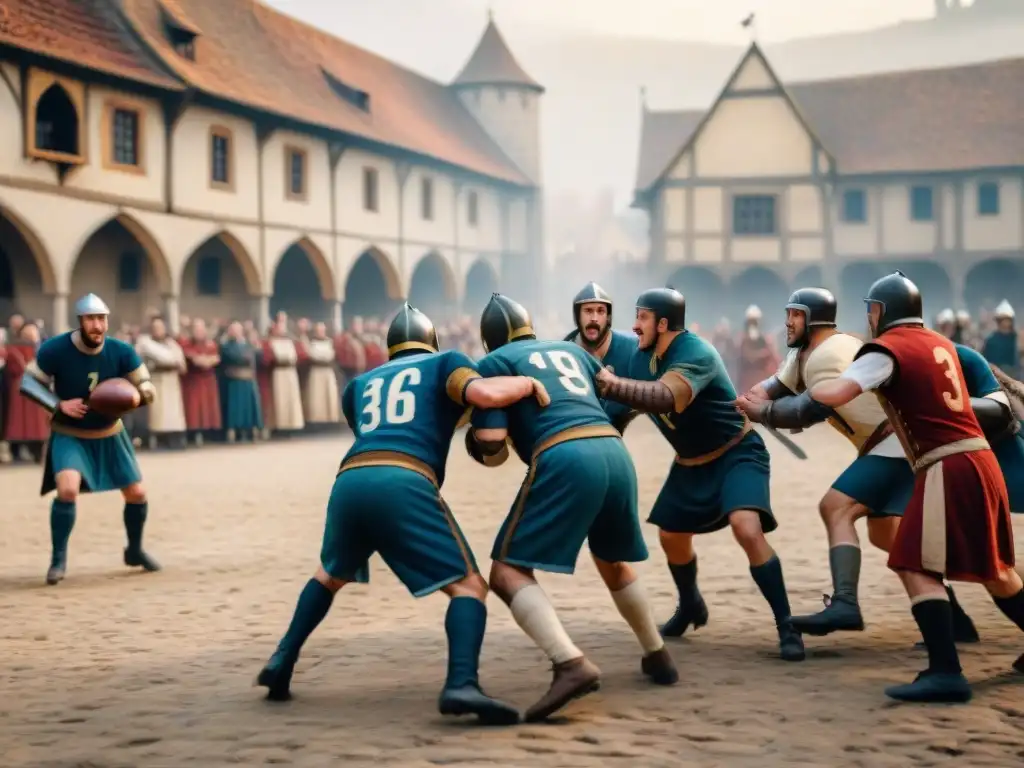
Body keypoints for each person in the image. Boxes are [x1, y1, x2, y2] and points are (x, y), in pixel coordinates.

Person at [256, 303, 549, 725]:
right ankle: (462, 683)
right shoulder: (447, 362)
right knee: (469, 587)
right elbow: (482, 396)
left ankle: (282, 659)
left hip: (350, 479)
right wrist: (524, 383)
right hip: (403, 478)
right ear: (432, 343)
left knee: (330, 574)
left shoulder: (358, 384)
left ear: (390, 347)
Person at [808, 271, 1024, 702]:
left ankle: (946, 671)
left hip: (948, 463)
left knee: (912, 563)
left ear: (879, 312)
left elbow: (839, 392)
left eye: (871, 311)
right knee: (996, 570)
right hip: (980, 461)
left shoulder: (889, 349)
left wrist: (804, 393)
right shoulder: (943, 345)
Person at [467, 293, 677, 723]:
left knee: (506, 571)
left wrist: (476, 440)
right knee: (612, 559)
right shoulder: (570, 350)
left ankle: (569, 663)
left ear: (489, 340)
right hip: (615, 451)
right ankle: (657, 652)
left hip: (565, 453)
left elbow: (492, 448)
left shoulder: (494, 363)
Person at [734, 288, 980, 642]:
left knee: (836, 508)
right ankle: (957, 622)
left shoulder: (829, 355)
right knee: (886, 535)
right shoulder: (806, 353)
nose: (787, 321)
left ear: (814, 319)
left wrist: (766, 413)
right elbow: (771, 388)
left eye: (796, 314)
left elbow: (808, 409)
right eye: (788, 313)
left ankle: (846, 603)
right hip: (885, 447)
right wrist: (740, 402)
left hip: (894, 444)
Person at [595, 287, 805, 662]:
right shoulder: (642, 358)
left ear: (663, 323)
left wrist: (614, 385)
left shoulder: (697, 353)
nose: (634, 325)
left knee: (746, 527)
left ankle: (786, 625)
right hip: (690, 462)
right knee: (672, 537)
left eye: (642, 318)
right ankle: (691, 604)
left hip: (736, 453)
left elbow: (663, 396)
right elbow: (623, 406)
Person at [18, 294, 161, 585]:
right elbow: (28, 382)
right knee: (67, 489)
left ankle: (134, 550)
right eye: (91, 319)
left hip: (110, 433)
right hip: (71, 432)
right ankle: (58, 560)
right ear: (80, 322)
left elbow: (144, 382)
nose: (97, 325)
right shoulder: (55, 349)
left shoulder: (121, 350)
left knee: (137, 494)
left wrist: (140, 394)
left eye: (102, 319)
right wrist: (58, 405)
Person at [564, 282, 638, 433]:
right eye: (588, 311)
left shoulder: (632, 349)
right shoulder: (564, 353)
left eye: (600, 311)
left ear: (608, 317)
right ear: (577, 316)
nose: (594, 318)